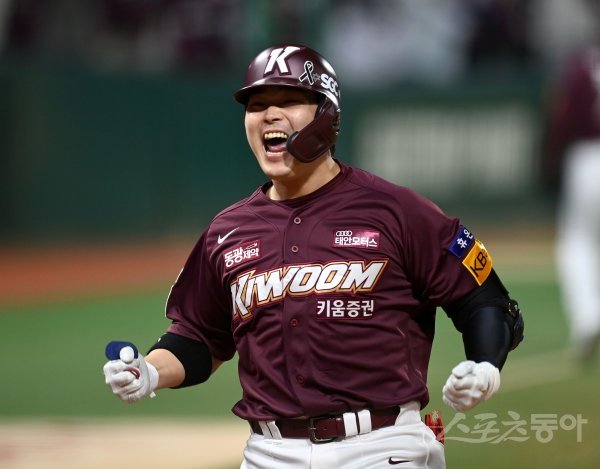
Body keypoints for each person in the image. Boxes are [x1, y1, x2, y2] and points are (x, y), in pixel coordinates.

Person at [103, 44, 524, 468]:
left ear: (327, 116)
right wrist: (149, 371)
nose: (269, 114)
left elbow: (484, 299)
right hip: (268, 453)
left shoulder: (397, 211)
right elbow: (200, 336)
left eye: (288, 101)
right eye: (257, 105)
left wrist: (485, 365)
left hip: (382, 446)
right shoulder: (226, 232)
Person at [541, 42, 600, 363]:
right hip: (585, 154)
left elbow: (561, 116)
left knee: (577, 242)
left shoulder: (582, 64)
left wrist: (549, 160)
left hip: (586, 159)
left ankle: (588, 317)